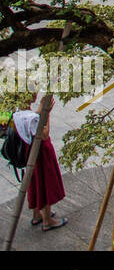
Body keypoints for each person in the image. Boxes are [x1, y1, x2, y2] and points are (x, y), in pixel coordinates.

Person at [13, 93, 67, 231]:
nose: (35, 93)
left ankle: (37, 214)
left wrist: (39, 111)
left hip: (29, 151)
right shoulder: (31, 117)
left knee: (35, 181)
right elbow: (44, 134)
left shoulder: (18, 112)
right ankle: (47, 220)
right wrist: (46, 113)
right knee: (44, 182)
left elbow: (30, 119)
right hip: (40, 152)